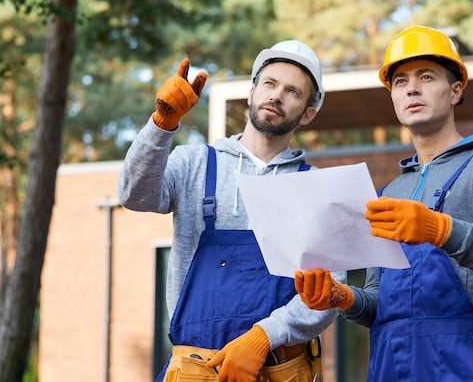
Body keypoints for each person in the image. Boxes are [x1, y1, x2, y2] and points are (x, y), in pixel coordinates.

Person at [294, 26, 473, 381]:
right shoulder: (389, 192)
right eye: (401, 81)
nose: (412, 89)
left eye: (426, 76)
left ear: (455, 91)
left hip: (463, 365)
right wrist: (342, 298)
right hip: (391, 365)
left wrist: (439, 230)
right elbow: (379, 303)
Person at [117, 40, 343, 382]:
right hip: (196, 369)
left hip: (279, 369)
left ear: (307, 113)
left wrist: (265, 335)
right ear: (251, 93)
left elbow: (330, 292)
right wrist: (161, 125)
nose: (277, 95)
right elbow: (134, 195)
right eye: (269, 83)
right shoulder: (193, 163)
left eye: (293, 91)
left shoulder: (313, 189)